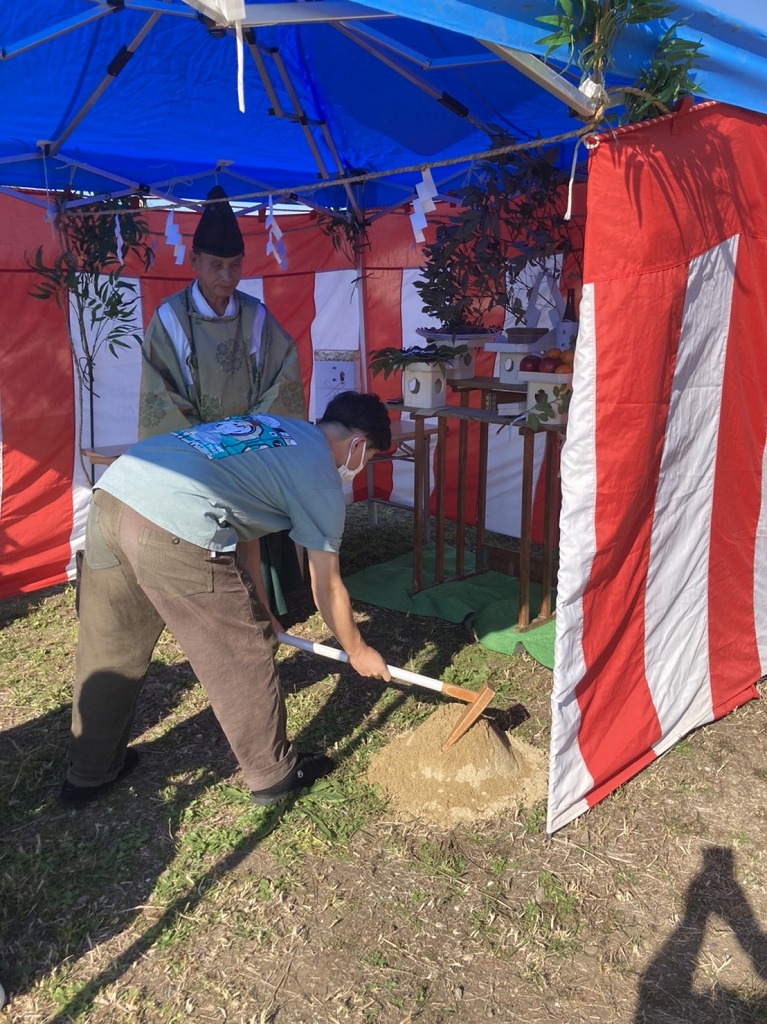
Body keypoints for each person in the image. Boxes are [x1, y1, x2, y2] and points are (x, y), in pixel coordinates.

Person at [60, 391, 393, 809]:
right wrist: (358, 650)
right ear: (359, 444)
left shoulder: (276, 429)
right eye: (368, 458)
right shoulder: (320, 472)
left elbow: (245, 533)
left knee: (110, 647)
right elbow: (326, 585)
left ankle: (89, 773)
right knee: (242, 653)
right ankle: (274, 775)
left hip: (115, 493)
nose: (358, 469)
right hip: (172, 520)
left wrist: (264, 610)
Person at [137, 184, 305, 616]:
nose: (227, 278)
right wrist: (203, 443)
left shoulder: (256, 315)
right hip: (196, 448)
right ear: (195, 263)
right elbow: (160, 391)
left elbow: (283, 374)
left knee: (256, 529)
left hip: (249, 446)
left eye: (235, 266)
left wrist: (250, 436)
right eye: (216, 266)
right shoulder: (170, 318)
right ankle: (215, 611)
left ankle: (266, 608)